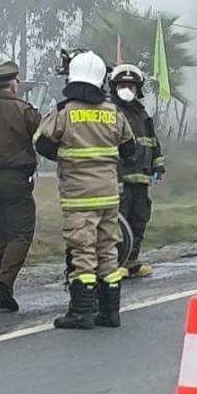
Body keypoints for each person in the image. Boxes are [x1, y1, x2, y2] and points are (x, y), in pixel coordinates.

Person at [34, 51, 137, 329]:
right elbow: (131, 150)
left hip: (79, 196)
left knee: (82, 252)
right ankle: (110, 313)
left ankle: (81, 314)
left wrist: (66, 155)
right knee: (108, 252)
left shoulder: (65, 113)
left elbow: (41, 143)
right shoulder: (113, 113)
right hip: (109, 195)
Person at [109, 63, 165, 279]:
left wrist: (158, 165)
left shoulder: (142, 114)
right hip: (119, 176)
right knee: (118, 219)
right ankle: (115, 261)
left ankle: (132, 260)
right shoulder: (111, 111)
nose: (127, 89)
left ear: (137, 89)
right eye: (122, 85)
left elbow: (153, 142)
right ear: (114, 87)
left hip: (141, 176)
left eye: (131, 86)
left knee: (139, 217)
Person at [0, 61, 41, 312]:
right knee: (20, 234)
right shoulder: (23, 110)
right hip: (15, 180)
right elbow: (46, 139)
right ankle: (4, 282)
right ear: (13, 86)